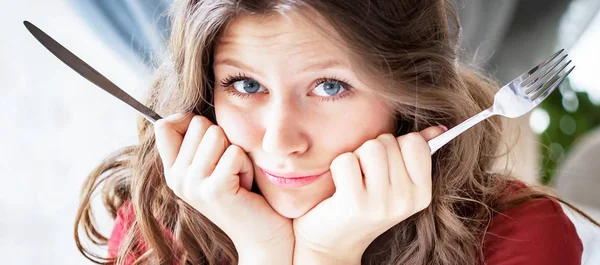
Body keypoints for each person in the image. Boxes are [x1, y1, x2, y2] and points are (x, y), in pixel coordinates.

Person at [74, 0, 598, 264]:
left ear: (408, 90)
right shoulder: (159, 230)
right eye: (245, 84)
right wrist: (265, 252)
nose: (281, 141)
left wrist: (327, 256)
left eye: (329, 87)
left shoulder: (521, 240)